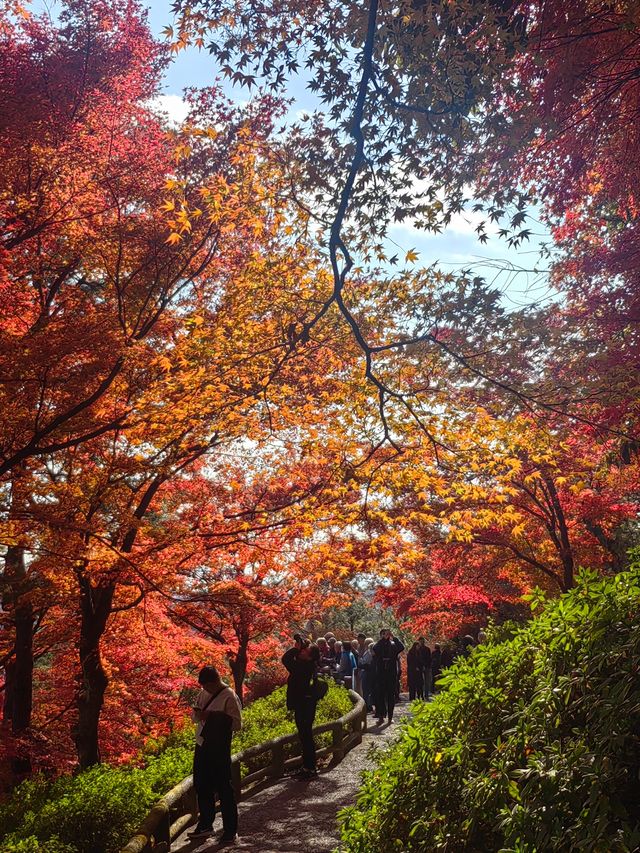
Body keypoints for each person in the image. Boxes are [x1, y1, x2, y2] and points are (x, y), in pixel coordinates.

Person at [188, 665, 242, 844]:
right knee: (201, 785)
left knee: (224, 788)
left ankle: (230, 829)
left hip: (219, 747)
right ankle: (205, 824)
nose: (204, 689)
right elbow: (195, 717)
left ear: (214, 681)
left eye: (206, 686)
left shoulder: (229, 695)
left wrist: (211, 716)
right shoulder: (203, 693)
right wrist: (199, 715)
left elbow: (236, 724)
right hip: (202, 743)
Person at [282, 635, 321, 778]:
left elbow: (285, 660)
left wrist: (295, 648)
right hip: (305, 704)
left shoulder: (304, 667)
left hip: (304, 705)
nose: (302, 651)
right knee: (305, 736)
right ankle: (307, 767)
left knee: (306, 736)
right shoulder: (307, 665)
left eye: (305, 651)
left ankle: (310, 769)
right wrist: (300, 648)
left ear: (310, 657)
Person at [372, 629, 405, 724]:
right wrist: (383, 639)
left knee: (391, 696)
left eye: (386, 634)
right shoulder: (379, 645)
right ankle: (381, 716)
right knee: (380, 696)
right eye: (383, 634)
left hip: (391, 674)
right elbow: (375, 648)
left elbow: (401, 647)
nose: (385, 635)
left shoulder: (394, 644)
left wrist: (393, 637)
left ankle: (390, 717)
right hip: (381, 674)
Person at [359, 639, 375, 711]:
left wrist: (360, 659)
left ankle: (368, 705)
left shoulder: (369, 653)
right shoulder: (367, 652)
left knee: (366, 690)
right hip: (366, 672)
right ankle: (368, 704)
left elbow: (365, 662)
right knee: (366, 690)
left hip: (367, 673)